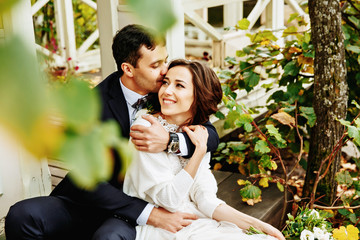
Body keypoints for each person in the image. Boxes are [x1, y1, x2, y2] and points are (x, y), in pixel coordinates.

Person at [5, 24, 220, 240]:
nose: (165, 70)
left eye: (165, 60)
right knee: (21, 215)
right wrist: (150, 215)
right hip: (90, 201)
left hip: (137, 204)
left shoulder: (166, 92)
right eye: (156, 65)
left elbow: (209, 134)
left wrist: (170, 140)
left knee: (109, 237)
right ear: (128, 69)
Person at [123, 59, 286, 240]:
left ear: (199, 95)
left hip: (195, 221)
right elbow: (169, 200)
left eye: (179, 86)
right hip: (161, 228)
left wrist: (258, 225)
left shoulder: (196, 132)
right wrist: (199, 152)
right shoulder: (146, 129)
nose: (166, 91)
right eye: (166, 82)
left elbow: (205, 199)